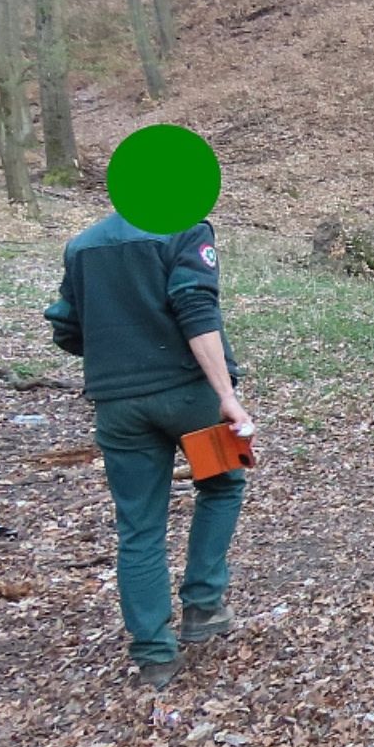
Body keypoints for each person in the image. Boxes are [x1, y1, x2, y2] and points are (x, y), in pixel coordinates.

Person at [45, 213, 253, 690]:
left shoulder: (82, 246)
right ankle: (203, 603)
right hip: (190, 396)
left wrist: (121, 350)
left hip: (118, 406)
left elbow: (65, 328)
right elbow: (196, 310)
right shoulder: (185, 230)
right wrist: (226, 394)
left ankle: (155, 655)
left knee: (138, 526)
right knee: (222, 485)